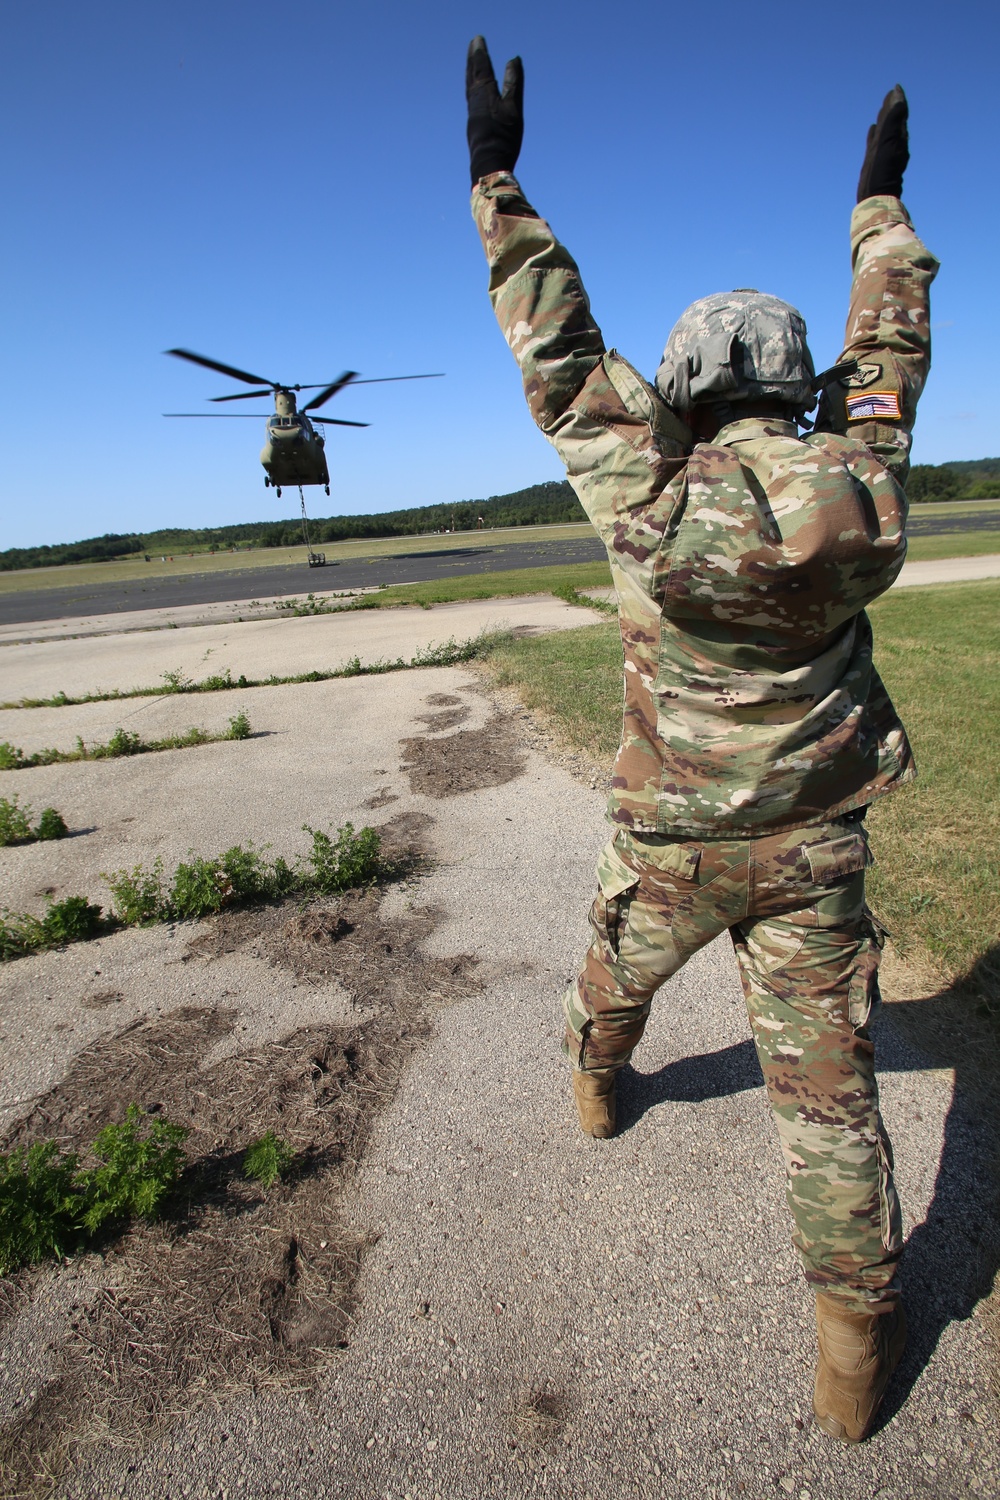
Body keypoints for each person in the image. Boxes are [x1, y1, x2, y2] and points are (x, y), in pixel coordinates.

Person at [465, 37, 939, 1444]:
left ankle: (602, 1088)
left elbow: (557, 351)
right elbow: (894, 342)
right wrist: (878, 207)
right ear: (802, 380)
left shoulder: (649, 489)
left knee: (609, 990)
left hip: (672, 845)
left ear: (680, 382)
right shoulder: (863, 472)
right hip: (813, 853)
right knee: (830, 1100)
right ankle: (852, 1350)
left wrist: (499, 182)